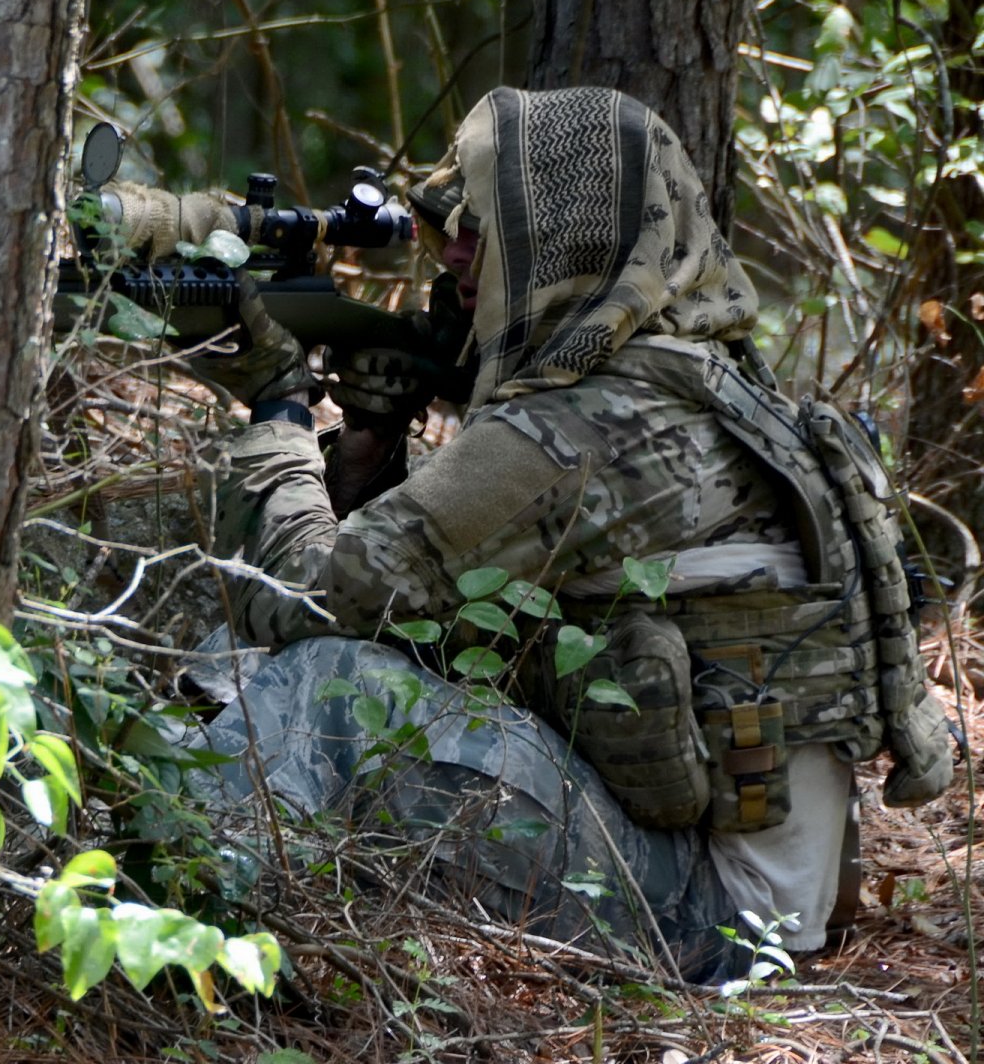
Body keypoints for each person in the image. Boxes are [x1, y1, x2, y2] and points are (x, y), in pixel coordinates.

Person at [162, 86, 955, 980]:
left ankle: (171, 931)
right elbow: (415, 594)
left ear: (564, 235)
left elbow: (306, 595)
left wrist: (276, 406)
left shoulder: (579, 429)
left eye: (484, 223)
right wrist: (377, 433)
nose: (453, 249)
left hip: (711, 926)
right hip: (758, 897)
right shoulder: (702, 380)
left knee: (327, 683)